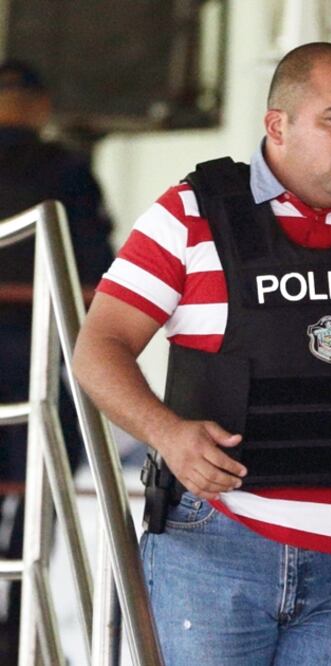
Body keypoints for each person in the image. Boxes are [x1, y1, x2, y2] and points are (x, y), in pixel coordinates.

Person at [72, 43, 331, 665]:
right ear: (277, 125)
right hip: (215, 541)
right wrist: (168, 434)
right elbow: (98, 346)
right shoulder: (192, 212)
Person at [0, 59, 114, 660]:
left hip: (32, 352)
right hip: (42, 353)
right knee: (40, 486)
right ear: (41, 107)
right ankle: (19, 629)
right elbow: (97, 269)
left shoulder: (65, 169)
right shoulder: (65, 170)